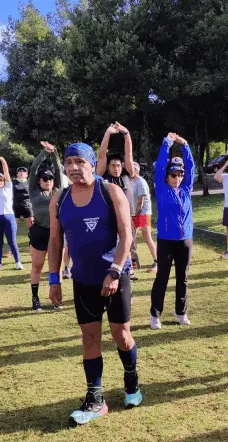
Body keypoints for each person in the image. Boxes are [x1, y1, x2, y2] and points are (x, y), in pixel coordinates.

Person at [47, 142, 141, 426]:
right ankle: (96, 400)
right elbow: (54, 241)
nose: (74, 167)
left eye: (79, 161)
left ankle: (132, 381)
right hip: (83, 280)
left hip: (115, 277)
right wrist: (54, 279)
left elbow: (127, 235)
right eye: (69, 162)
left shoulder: (110, 191)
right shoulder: (59, 199)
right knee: (89, 338)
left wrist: (114, 271)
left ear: (91, 164)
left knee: (121, 335)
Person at [149, 132, 194, 329]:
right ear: (167, 176)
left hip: (185, 240)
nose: (177, 178)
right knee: (162, 278)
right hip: (166, 240)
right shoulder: (161, 188)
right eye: (173, 175)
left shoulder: (186, 189)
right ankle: (155, 315)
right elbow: (159, 165)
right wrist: (167, 143)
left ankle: (181, 312)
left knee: (182, 278)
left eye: (179, 175)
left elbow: (191, 167)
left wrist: (184, 144)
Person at [98, 123, 138, 278]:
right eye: (113, 165)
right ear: (108, 167)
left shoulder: (127, 175)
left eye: (118, 166)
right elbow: (102, 155)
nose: (116, 168)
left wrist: (126, 133)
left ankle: (128, 270)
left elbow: (128, 155)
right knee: (110, 246)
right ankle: (111, 269)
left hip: (127, 218)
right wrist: (108, 133)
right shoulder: (103, 177)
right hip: (109, 219)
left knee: (128, 244)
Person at [28, 141, 64, 311]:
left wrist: (55, 152)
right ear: (39, 181)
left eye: (50, 178)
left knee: (56, 267)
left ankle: (56, 298)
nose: (48, 180)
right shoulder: (34, 191)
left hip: (56, 232)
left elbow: (58, 170)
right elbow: (34, 168)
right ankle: (35, 299)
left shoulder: (58, 190)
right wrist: (44, 152)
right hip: (40, 232)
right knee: (37, 266)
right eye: (45, 178)